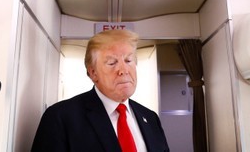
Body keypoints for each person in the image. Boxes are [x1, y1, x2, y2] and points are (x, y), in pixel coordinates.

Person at [31, 29, 170, 152]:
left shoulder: (151, 118)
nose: (124, 70)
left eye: (128, 60)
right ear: (93, 73)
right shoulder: (60, 118)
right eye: (112, 63)